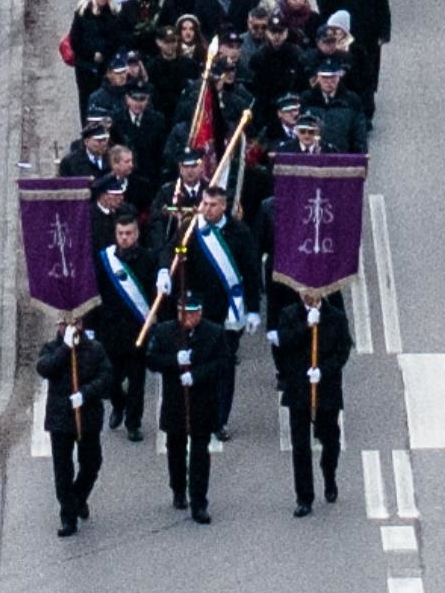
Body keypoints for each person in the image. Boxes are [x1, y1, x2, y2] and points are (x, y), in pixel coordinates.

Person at [147, 293, 234, 521]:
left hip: (202, 402)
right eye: (183, 313)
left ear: (200, 313)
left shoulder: (214, 333)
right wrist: (174, 361)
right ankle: (178, 489)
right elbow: (152, 360)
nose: (187, 318)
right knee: (175, 449)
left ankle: (199, 502)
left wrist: (196, 375)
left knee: (200, 454)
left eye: (192, 313)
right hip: (175, 402)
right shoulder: (165, 331)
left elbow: (223, 364)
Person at [185, 184, 259, 439]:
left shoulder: (239, 232)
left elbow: (250, 271)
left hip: (229, 310)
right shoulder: (193, 230)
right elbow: (173, 252)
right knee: (198, 363)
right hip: (200, 310)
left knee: (224, 367)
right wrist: (166, 269)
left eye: (212, 205)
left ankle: (220, 419)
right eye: (204, 204)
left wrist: (254, 309)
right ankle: (198, 413)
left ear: (224, 206)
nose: (206, 209)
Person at [271, 291, 353, 514]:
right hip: (299, 388)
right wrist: (306, 327)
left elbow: (343, 349)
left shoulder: (335, 316)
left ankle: (329, 475)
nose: (308, 295)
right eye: (304, 291)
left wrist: (323, 371)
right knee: (300, 446)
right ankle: (304, 497)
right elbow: (283, 344)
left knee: (330, 439)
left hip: (326, 389)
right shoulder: (289, 315)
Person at [37, 317, 113, 535]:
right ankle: (68, 516)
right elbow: (44, 368)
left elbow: (106, 376)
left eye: (75, 323)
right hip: (60, 419)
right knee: (63, 471)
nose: (70, 327)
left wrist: (86, 393)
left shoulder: (94, 349)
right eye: (64, 323)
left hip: (87, 417)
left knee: (91, 464)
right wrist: (65, 349)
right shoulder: (51, 348)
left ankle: (78, 497)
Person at [93, 208, 157, 438]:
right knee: (110, 380)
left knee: (137, 380)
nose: (124, 238)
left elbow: (153, 296)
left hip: (137, 330)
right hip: (110, 331)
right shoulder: (105, 260)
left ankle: (133, 423)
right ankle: (118, 405)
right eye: (120, 233)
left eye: (129, 233)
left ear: (137, 234)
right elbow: (95, 295)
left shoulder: (149, 259)